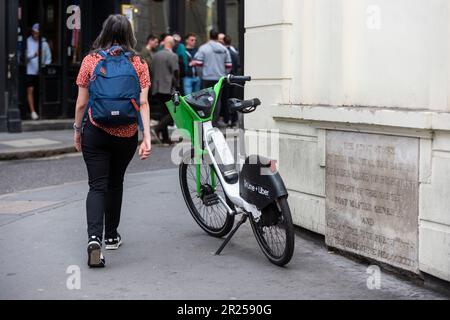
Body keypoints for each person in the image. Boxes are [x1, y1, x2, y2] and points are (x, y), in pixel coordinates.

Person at [74, 14, 152, 268]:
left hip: (95, 131)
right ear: (129, 34)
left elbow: (82, 103)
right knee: (115, 184)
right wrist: (146, 137)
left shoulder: (90, 60)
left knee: (97, 186)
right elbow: (142, 102)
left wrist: (77, 130)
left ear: (104, 32)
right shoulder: (139, 63)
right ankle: (111, 236)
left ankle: (94, 239)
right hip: (126, 134)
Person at [194, 29, 232, 126]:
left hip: (206, 78)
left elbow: (198, 64)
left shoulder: (203, 48)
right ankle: (214, 122)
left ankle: (205, 121)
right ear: (217, 37)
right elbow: (228, 65)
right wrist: (223, 75)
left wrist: (201, 75)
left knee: (204, 100)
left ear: (209, 36)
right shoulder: (224, 49)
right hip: (219, 79)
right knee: (217, 101)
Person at [151, 35, 179, 144]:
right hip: (168, 88)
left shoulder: (156, 55)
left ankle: (165, 138)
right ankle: (157, 128)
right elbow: (176, 72)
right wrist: (177, 84)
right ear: (172, 44)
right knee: (172, 113)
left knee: (163, 113)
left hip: (157, 87)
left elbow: (152, 70)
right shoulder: (172, 56)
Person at [26, 23, 52, 120]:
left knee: (38, 91)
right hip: (29, 71)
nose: (36, 35)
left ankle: (39, 110)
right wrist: (33, 55)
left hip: (40, 72)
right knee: (30, 90)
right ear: (32, 32)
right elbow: (24, 58)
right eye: (34, 33)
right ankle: (32, 111)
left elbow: (49, 58)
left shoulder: (44, 43)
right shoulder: (27, 42)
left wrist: (44, 65)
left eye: (37, 33)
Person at [223, 35, 240, 127]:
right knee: (233, 98)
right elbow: (237, 65)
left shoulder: (224, 52)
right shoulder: (234, 53)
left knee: (225, 99)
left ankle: (227, 119)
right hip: (234, 78)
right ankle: (234, 119)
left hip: (226, 79)